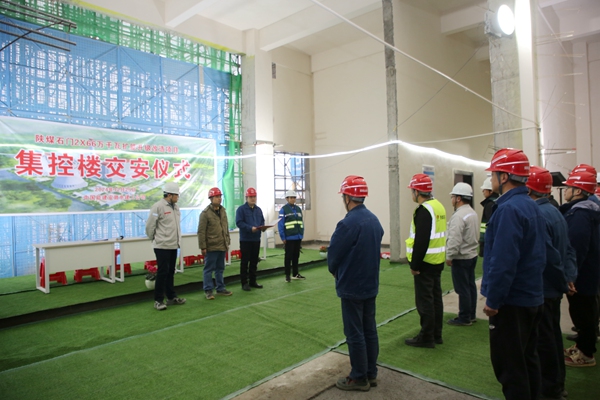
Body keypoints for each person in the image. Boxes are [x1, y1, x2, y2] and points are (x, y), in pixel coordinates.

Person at [481, 148, 546, 400]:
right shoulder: (530, 205)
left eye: (494, 174)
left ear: (504, 176)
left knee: (510, 368)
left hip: (512, 302)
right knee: (528, 360)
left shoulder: (508, 209)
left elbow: (503, 261)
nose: (491, 179)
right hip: (531, 296)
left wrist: (494, 300)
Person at [329, 175, 384, 392]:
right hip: (370, 284)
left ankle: (359, 376)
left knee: (355, 333)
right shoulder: (374, 220)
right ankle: (371, 373)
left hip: (352, 287)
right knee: (369, 329)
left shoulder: (347, 223)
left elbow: (334, 255)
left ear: (347, 197)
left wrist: (336, 270)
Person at [527, 166, 577, 399]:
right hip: (553, 287)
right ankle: (557, 384)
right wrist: (569, 277)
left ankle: (550, 389)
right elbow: (568, 250)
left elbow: (550, 257)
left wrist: (562, 281)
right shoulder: (556, 212)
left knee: (544, 340)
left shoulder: (538, 215)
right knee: (553, 336)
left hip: (545, 287)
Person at [560, 170, 600, 368]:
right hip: (588, 272)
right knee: (585, 312)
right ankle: (582, 347)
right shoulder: (588, 210)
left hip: (583, 275)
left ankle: (586, 354)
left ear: (577, 191)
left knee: (583, 314)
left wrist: (571, 276)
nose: (566, 190)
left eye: (568, 187)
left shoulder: (580, 215)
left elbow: (576, 248)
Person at [405, 173, 446, 348]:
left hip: (425, 263)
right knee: (436, 298)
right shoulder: (438, 206)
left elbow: (421, 241)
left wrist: (415, 265)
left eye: (412, 191)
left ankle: (426, 337)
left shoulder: (424, 211)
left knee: (425, 301)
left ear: (417, 191)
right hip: (437, 261)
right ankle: (436, 334)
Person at [145, 182, 186, 310]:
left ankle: (171, 297)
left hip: (173, 245)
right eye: (176, 195)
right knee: (162, 272)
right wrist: (155, 239)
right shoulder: (158, 207)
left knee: (170, 272)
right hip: (162, 245)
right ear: (169, 195)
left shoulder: (176, 208)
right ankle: (158, 300)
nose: (178, 197)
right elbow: (150, 226)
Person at [445, 182, 479, 327]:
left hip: (461, 257)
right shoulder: (472, 212)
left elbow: (455, 239)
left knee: (462, 288)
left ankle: (464, 317)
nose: (451, 199)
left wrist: (449, 255)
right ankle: (471, 314)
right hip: (472, 255)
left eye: (453, 196)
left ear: (458, 198)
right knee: (470, 286)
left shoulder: (459, 216)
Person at [198, 187, 233, 300]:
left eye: (220, 196)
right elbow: (201, 231)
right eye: (217, 196)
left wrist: (227, 241)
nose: (219, 198)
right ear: (211, 198)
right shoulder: (205, 214)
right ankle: (208, 290)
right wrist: (203, 247)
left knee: (220, 268)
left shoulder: (223, 211)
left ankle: (220, 288)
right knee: (208, 269)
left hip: (222, 245)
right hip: (211, 246)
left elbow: (225, 227)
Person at [235, 187, 266, 291]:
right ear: (246, 197)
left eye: (254, 196)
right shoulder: (241, 209)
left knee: (254, 261)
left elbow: (262, 221)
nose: (253, 198)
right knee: (245, 262)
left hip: (256, 239)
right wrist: (250, 228)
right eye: (251, 196)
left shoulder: (258, 210)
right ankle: (244, 283)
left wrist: (263, 227)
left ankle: (253, 281)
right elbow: (239, 223)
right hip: (245, 240)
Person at [278, 190, 305, 282]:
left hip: (298, 237)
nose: (293, 199)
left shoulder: (298, 209)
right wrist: (283, 237)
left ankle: (295, 274)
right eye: (291, 198)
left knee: (296, 256)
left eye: (294, 198)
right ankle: (287, 275)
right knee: (288, 257)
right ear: (287, 199)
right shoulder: (283, 210)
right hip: (289, 237)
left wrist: (301, 234)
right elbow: (280, 224)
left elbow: (301, 222)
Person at [479, 177, 498, 257]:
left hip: (489, 242)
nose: (483, 192)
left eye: (484, 190)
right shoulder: (497, 202)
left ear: (491, 191)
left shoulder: (490, 204)